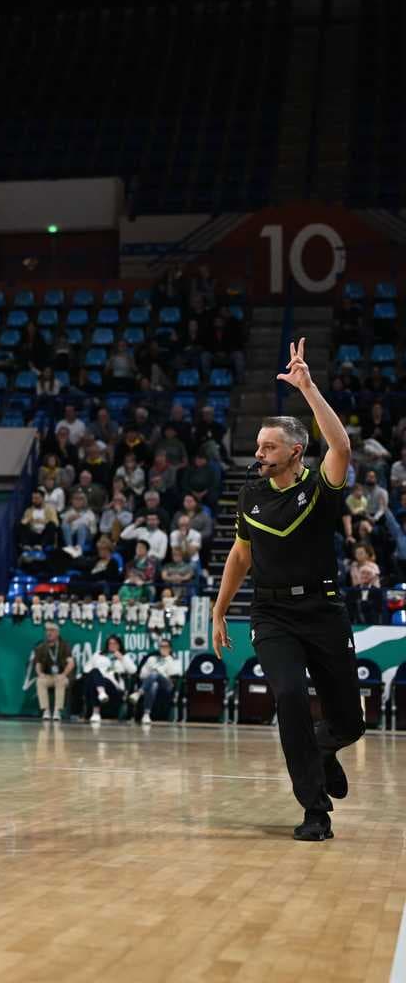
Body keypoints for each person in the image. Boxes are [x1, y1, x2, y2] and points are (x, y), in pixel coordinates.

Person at [212, 339, 364, 842]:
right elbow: (240, 556)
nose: (258, 453)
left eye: (268, 447)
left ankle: (325, 746)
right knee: (291, 696)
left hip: (323, 608)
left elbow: (341, 448)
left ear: (295, 451)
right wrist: (219, 610)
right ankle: (315, 808)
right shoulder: (250, 494)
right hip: (272, 614)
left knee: (350, 723)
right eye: (258, 446)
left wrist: (308, 388)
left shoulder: (319, 486)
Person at [81, 634, 136, 724]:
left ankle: (96, 711)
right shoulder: (98, 654)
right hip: (98, 680)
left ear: (119, 645)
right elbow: (86, 669)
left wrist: (121, 658)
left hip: (114, 685)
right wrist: (98, 672)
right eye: (110, 643)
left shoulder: (124, 656)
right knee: (94, 673)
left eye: (115, 643)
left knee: (96, 680)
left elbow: (133, 670)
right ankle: (100, 698)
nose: (112, 645)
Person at [32, 621, 74, 720]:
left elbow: (71, 663)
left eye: (52, 630)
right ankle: (46, 710)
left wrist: (64, 674)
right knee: (40, 681)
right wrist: (40, 674)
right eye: (47, 630)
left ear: (57, 633)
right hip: (48, 676)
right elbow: (38, 664)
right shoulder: (41, 647)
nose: (49, 633)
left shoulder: (64, 645)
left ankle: (57, 711)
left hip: (62, 676)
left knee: (60, 680)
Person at [137, 637, 180, 725]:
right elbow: (142, 675)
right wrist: (154, 673)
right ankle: (146, 714)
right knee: (154, 685)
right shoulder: (151, 659)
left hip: (167, 686)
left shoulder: (174, 660)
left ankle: (139, 692)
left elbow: (173, 675)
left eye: (166, 646)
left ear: (170, 648)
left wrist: (157, 671)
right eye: (161, 646)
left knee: (154, 674)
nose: (163, 648)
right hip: (151, 683)